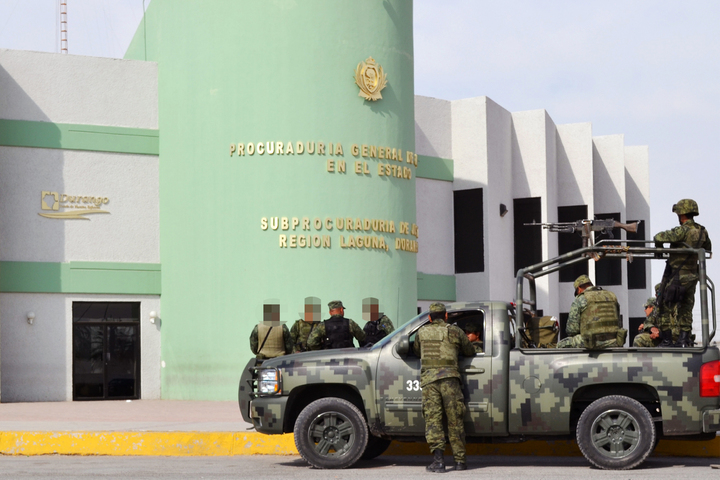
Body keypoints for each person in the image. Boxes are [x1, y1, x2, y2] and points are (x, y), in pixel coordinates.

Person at [413, 303, 475, 472]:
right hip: (450, 380)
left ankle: (439, 462)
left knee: (433, 420)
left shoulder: (421, 332)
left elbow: (417, 351)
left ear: (429, 317)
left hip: (430, 381)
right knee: (455, 420)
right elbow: (469, 351)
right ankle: (460, 461)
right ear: (446, 316)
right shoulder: (455, 331)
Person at [654, 199, 711, 347]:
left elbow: (658, 237)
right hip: (692, 276)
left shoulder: (682, 231)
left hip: (678, 277)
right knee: (686, 307)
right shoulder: (702, 231)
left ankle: (667, 340)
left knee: (663, 305)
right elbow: (708, 248)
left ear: (682, 214)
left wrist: (659, 247)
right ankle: (684, 339)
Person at [557, 275, 626, 349]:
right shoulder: (611, 296)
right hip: (613, 341)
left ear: (579, 288)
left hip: (591, 342)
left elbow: (572, 330)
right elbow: (619, 323)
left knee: (561, 345)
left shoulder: (580, 299)